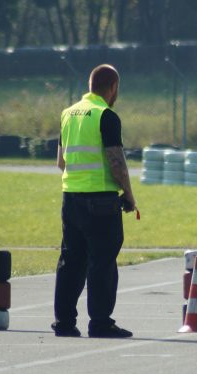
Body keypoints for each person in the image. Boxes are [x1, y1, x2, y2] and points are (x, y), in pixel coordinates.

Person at [51, 64, 136, 338]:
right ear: (113, 88)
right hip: (100, 202)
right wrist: (129, 196)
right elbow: (116, 162)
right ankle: (100, 323)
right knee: (102, 261)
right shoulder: (106, 116)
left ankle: (64, 322)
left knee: (70, 260)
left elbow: (61, 161)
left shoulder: (68, 114)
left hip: (71, 199)